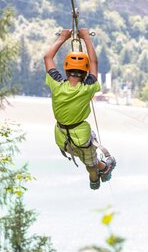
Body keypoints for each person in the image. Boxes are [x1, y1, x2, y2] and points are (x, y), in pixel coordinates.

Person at [44, 28, 116, 190]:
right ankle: (101, 171)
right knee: (90, 159)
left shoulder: (56, 85)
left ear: (66, 69)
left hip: (62, 137)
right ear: (85, 73)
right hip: (81, 136)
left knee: (84, 157)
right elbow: (94, 64)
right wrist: (86, 39)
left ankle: (96, 177)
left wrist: (62, 37)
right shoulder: (88, 87)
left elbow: (47, 57)